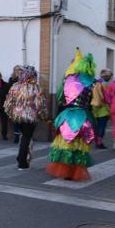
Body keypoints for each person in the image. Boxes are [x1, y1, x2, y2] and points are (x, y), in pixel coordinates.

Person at [46, 49, 96, 181]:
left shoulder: (67, 80)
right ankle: (75, 171)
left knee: (66, 144)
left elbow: (60, 98)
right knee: (79, 144)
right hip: (83, 116)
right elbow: (96, 102)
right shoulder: (92, 82)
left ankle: (66, 171)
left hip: (67, 116)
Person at [4, 65, 48, 170]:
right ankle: (22, 162)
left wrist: (11, 114)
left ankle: (21, 157)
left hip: (17, 117)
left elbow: (8, 103)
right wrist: (44, 115)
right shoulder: (35, 87)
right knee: (26, 138)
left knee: (23, 137)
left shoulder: (15, 86)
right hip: (29, 118)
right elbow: (40, 104)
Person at [91, 68, 112, 149]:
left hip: (95, 106)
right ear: (105, 76)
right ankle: (99, 142)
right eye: (109, 76)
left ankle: (96, 140)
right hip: (103, 107)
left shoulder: (96, 83)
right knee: (102, 125)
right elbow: (107, 98)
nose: (110, 78)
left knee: (97, 125)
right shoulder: (104, 84)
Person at [8, 65, 23, 143]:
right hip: (15, 102)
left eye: (19, 70)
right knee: (15, 120)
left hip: (23, 102)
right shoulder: (11, 79)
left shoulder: (24, 79)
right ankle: (16, 136)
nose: (18, 71)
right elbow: (10, 90)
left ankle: (23, 135)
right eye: (16, 70)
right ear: (14, 71)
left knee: (22, 119)